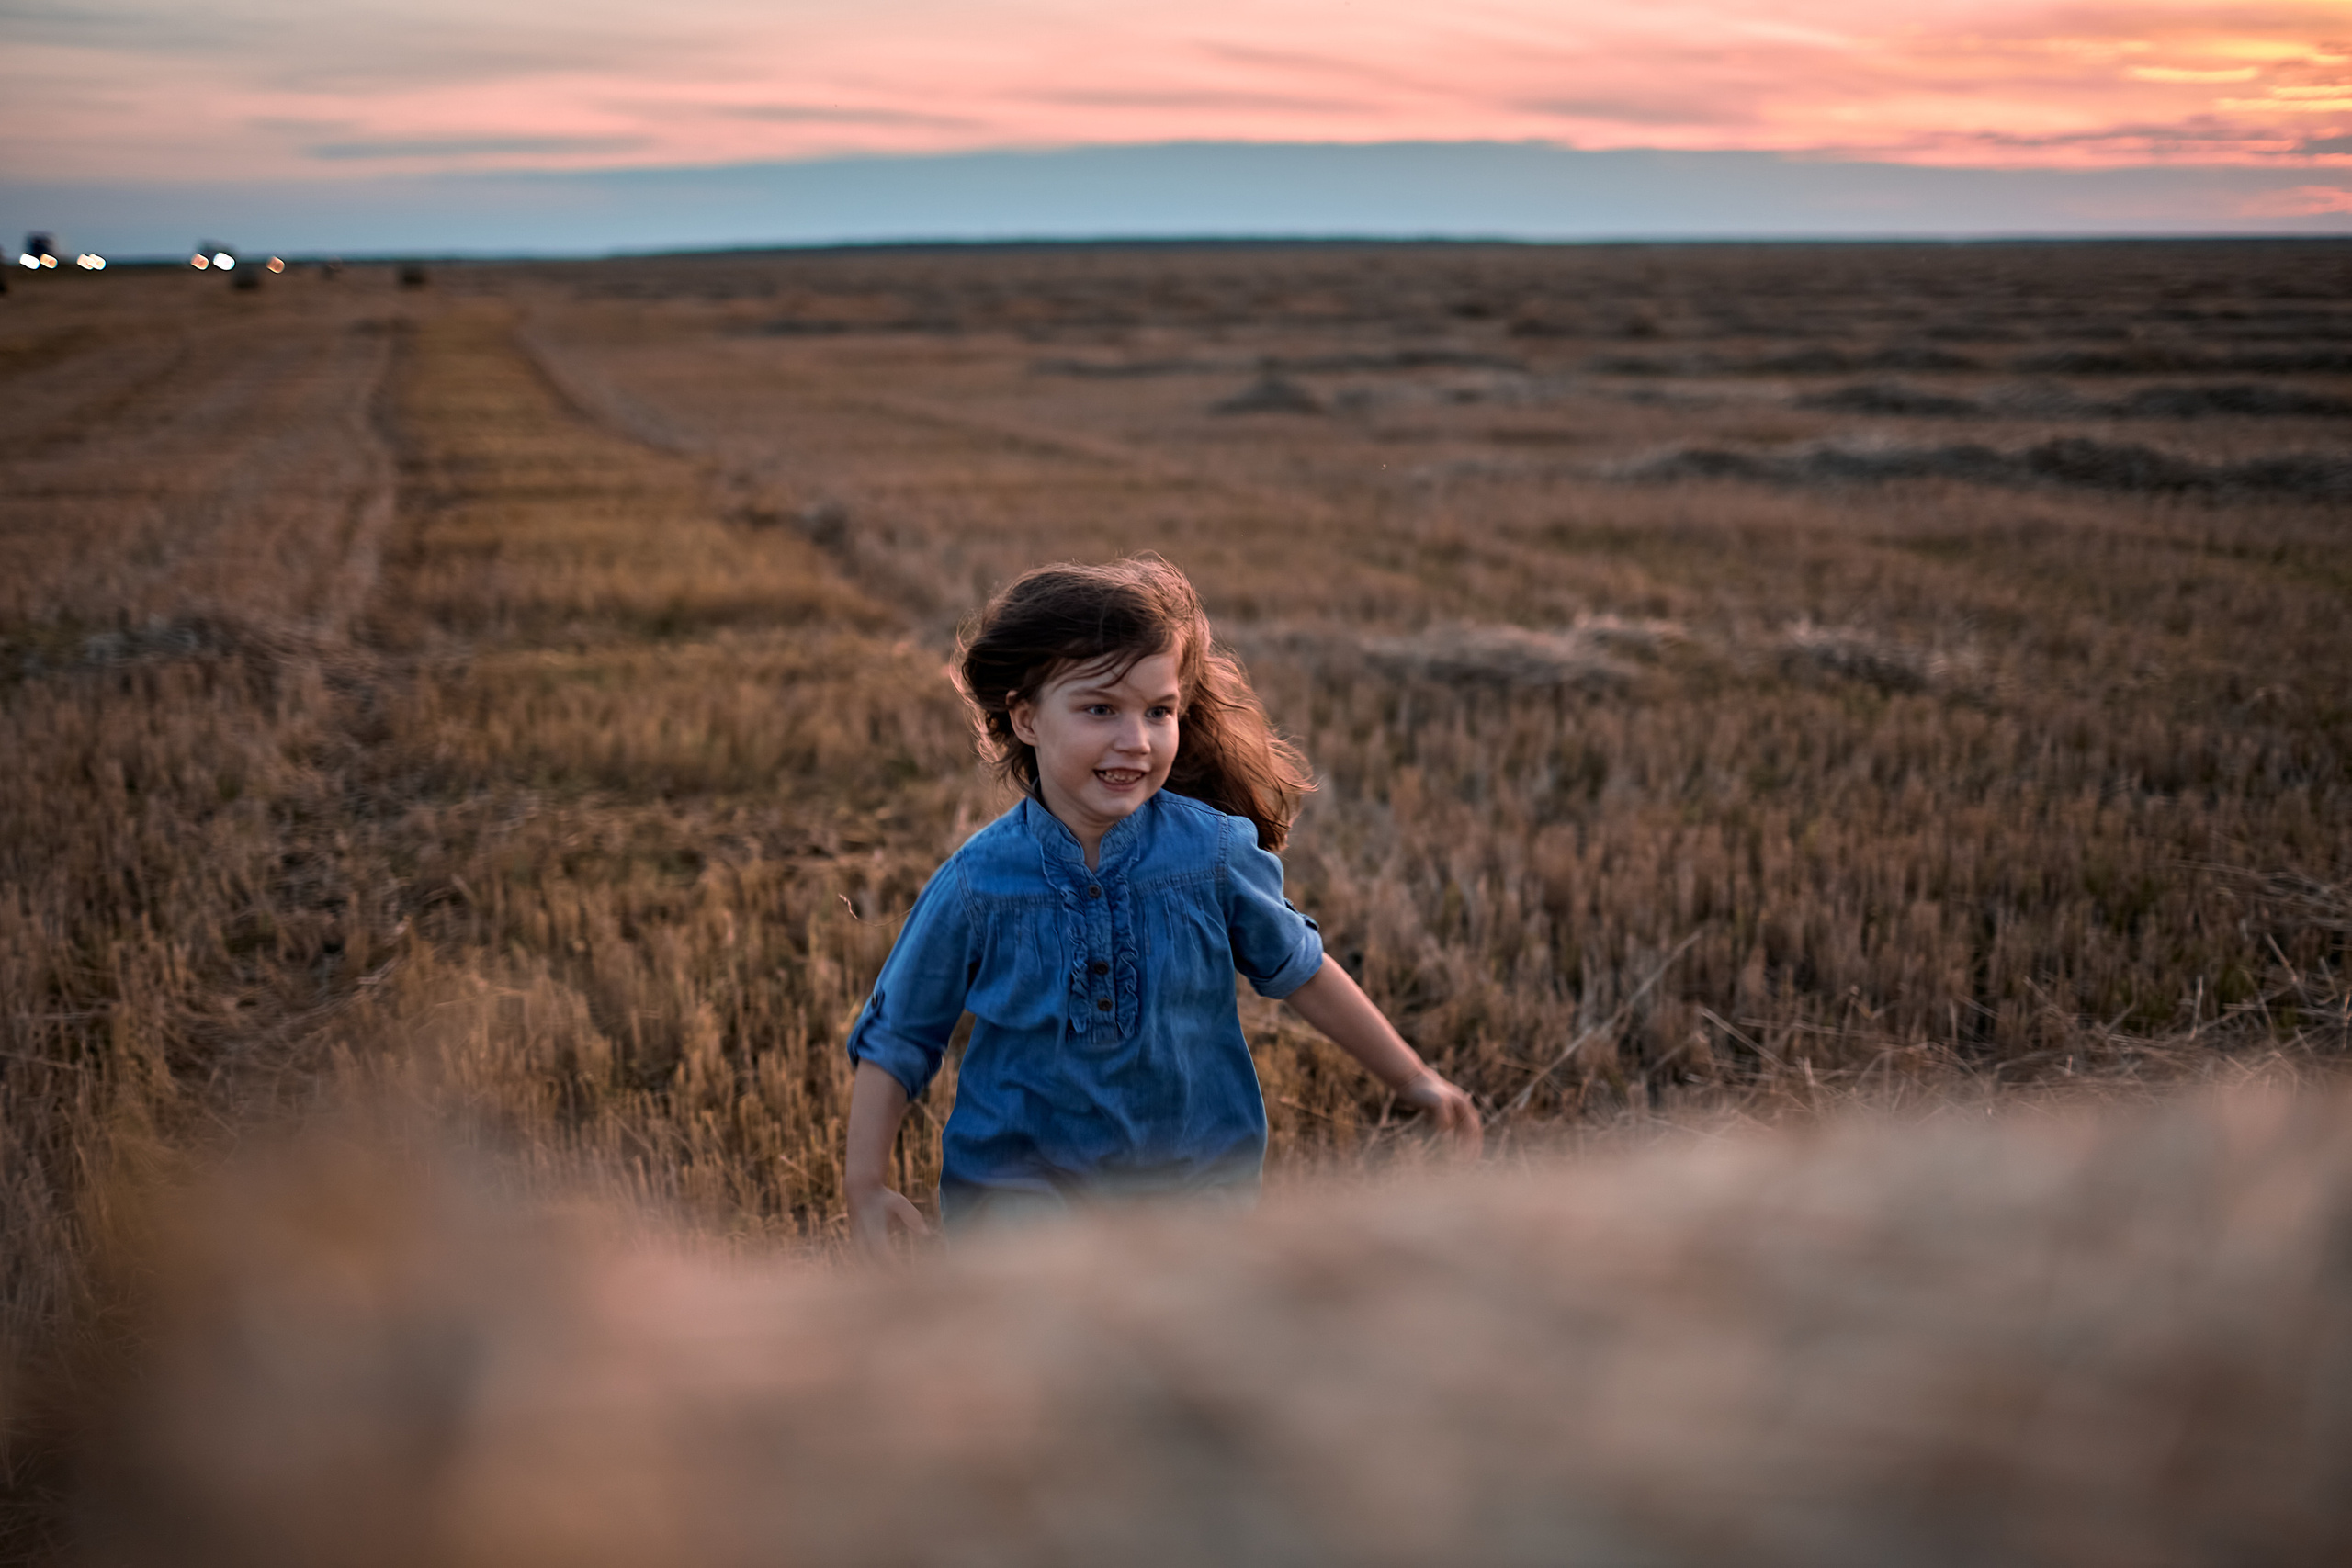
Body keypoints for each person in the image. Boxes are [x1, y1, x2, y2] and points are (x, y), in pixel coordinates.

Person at [843, 556, 1481, 1253]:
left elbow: (1304, 971)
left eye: (1159, 711)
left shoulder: (1213, 855)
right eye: (1100, 709)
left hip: (1197, 1190)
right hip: (1018, 1193)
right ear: (1025, 718)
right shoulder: (976, 883)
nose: (1136, 740)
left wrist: (1415, 1079)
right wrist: (865, 1181)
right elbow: (900, 1033)